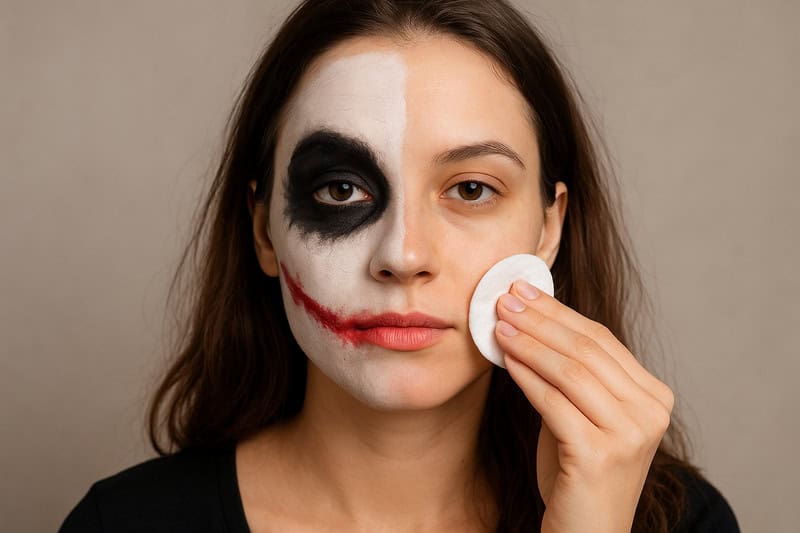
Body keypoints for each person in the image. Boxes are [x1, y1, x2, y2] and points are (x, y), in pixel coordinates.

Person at [59, 0, 740, 531]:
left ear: (547, 229)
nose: (404, 256)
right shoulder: (120, 524)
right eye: (340, 190)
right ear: (264, 229)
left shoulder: (679, 524)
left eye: (471, 189)